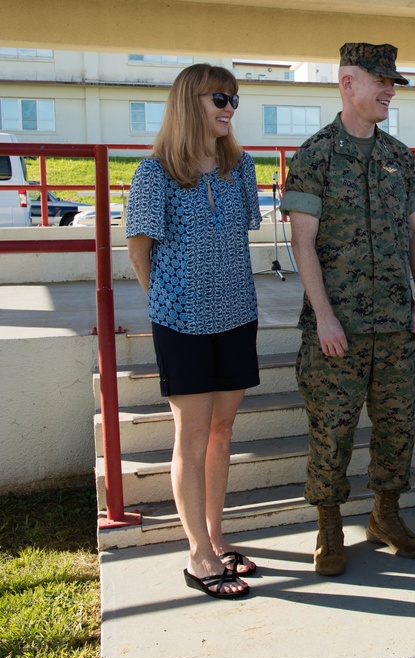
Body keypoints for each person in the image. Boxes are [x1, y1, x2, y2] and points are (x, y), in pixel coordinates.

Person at [282, 43, 415, 577]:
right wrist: (323, 314)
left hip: (396, 322)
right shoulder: (315, 155)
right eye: (381, 81)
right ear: (348, 83)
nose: (390, 90)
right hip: (337, 328)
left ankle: (385, 516)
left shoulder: (400, 156)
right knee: (332, 429)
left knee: (396, 426)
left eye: (393, 81)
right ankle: (328, 527)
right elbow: (303, 243)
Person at [126, 64, 261, 599]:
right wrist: (168, 302)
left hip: (237, 313)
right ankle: (198, 554)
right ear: (190, 101)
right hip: (181, 321)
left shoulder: (241, 167)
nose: (229, 107)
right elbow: (139, 252)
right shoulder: (154, 173)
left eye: (234, 99)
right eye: (220, 98)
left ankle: (217, 535)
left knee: (223, 431)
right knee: (193, 435)